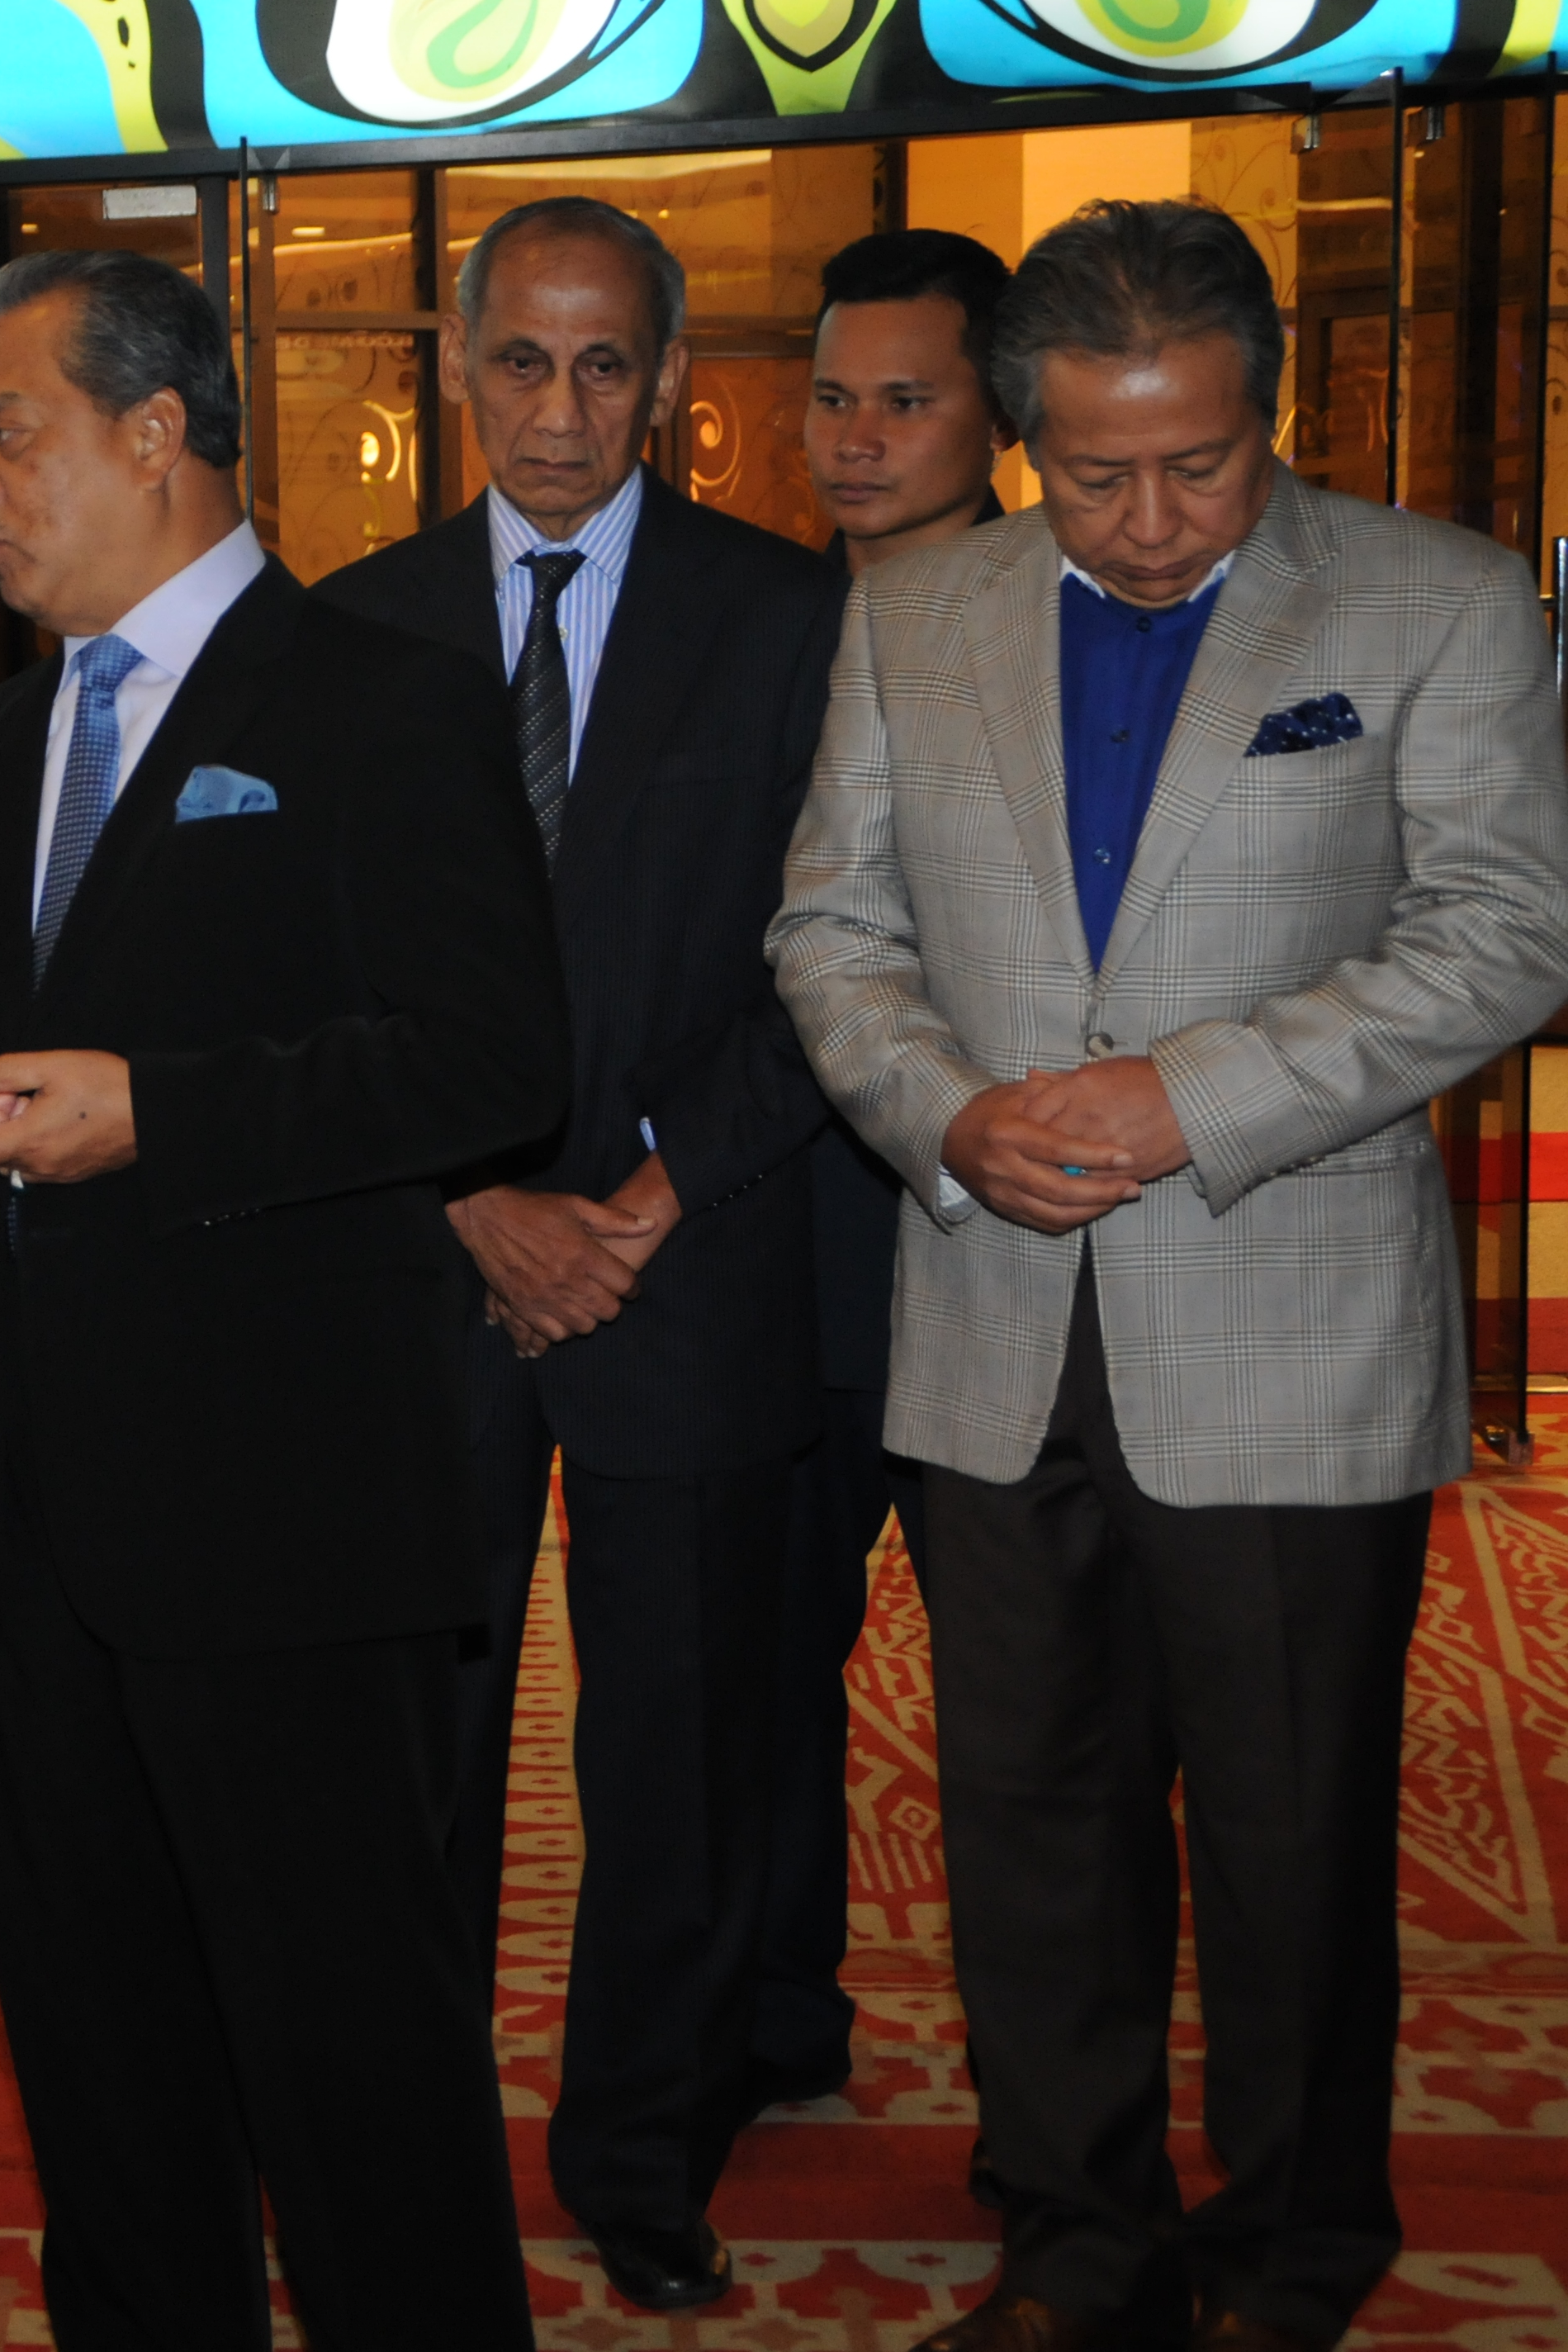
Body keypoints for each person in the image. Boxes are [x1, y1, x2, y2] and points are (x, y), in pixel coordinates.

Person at [770, 198, 1568, 2352]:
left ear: (1266, 415)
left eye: (1194, 467)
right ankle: (1077, 2246)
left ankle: (1293, 2251)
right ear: (1022, 435)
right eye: (1092, 470)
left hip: (1284, 1327)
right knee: (1031, 1830)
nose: (1143, 519)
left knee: (1290, 1838)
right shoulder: (912, 613)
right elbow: (831, 929)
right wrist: (944, 1114)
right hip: (992, 1321)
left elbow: (1505, 931)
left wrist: (1183, 1098)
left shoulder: (1433, 599)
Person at [0, 246, 566, 2351]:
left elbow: (489, 1060)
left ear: (153, 432)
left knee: (353, 2068)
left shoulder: (380, 699)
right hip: (39, 1531)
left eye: (4, 432)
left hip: (289, 1518)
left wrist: (162, 1113)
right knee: (101, 2066)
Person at [315, 195, 850, 2311]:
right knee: (408, 1756)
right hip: (423, 1274)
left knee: (680, 1751)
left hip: (683, 1263)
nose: (559, 407)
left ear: (670, 379)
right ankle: (407, 2146)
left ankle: (643, 2148)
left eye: (603, 361)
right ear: (456, 366)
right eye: (520, 360)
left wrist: (637, 1201)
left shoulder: (785, 617)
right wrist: (470, 1194)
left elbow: (834, 955)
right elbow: (312, 980)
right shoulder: (347, 631)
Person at [756, 226, 1021, 2119]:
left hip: (1007, 1240)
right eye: (831, 399)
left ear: (995, 412)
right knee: (763, 1668)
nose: (853, 438)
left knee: (1024, 1706)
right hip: (773, 1241)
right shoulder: (754, 625)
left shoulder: (1074, 619)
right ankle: (772, 2026)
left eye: (902, 402)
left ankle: (1041, 2098)